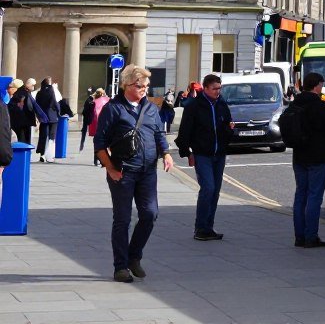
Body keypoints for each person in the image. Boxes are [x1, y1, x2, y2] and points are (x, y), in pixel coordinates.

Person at [94, 65, 174, 283]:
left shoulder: (151, 109)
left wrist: (166, 153)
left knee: (150, 214)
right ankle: (120, 267)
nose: (144, 90)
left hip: (148, 171)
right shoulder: (113, 109)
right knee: (122, 219)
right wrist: (110, 169)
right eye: (139, 86)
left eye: (146, 86)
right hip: (123, 171)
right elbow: (99, 143)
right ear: (126, 85)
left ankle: (134, 256)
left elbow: (159, 133)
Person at [174, 74, 233, 241]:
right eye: (214, 88)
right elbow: (184, 132)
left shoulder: (221, 104)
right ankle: (200, 228)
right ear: (205, 88)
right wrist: (187, 152)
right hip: (202, 154)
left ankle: (208, 227)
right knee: (208, 188)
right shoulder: (194, 106)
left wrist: (229, 130)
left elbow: (227, 125)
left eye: (219, 88)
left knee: (215, 191)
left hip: (219, 154)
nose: (218, 91)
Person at [290, 72, 325, 248]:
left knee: (300, 195)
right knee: (314, 196)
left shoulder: (294, 104)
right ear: (317, 85)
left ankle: (299, 236)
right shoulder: (322, 107)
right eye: (322, 84)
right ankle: (311, 236)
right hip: (318, 156)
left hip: (299, 156)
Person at [34, 77, 58, 163]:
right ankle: (50, 155)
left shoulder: (39, 93)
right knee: (52, 136)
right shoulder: (52, 91)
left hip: (43, 117)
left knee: (43, 135)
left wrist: (38, 116)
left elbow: (36, 105)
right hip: (52, 117)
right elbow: (55, 103)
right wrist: (59, 112)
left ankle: (42, 154)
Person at [7, 82, 34, 146]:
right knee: (26, 141)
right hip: (26, 122)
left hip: (19, 123)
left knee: (21, 141)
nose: (8, 90)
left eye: (10, 88)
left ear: (15, 88)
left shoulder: (17, 96)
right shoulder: (25, 94)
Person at [89, 88, 110, 165]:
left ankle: (96, 160)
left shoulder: (93, 102)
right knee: (103, 143)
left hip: (95, 125)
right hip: (103, 125)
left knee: (96, 142)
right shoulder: (106, 101)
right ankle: (102, 160)